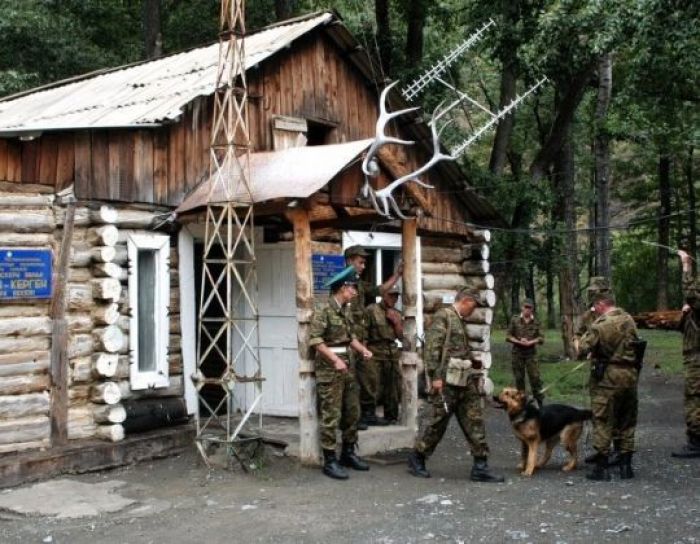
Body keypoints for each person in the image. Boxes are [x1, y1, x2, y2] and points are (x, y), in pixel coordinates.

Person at [407, 287, 504, 482]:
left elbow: (456, 349)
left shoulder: (458, 319)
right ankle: (417, 457)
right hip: (445, 382)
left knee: (474, 419)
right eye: (474, 306)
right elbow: (432, 348)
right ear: (466, 301)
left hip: (464, 380)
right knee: (437, 422)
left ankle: (480, 465)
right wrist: (434, 377)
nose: (473, 310)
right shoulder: (444, 316)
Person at [309, 266, 373, 480]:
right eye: (352, 288)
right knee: (331, 414)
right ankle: (330, 460)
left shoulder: (345, 310)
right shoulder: (324, 310)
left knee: (352, 411)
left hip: (348, 366)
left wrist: (362, 350)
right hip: (331, 368)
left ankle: (347, 453)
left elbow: (349, 337)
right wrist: (335, 360)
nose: (355, 293)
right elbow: (316, 339)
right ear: (343, 288)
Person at [577, 293, 640, 480]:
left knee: (603, 420)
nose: (594, 310)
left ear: (600, 304)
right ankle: (626, 466)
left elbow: (581, 348)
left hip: (608, 378)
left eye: (594, 307)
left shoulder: (600, 325)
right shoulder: (629, 319)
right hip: (630, 376)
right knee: (626, 421)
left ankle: (602, 468)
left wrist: (579, 341)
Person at [344, 245, 402, 426]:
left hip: (358, 341)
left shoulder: (359, 284)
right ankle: (351, 419)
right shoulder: (342, 284)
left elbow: (379, 289)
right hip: (347, 340)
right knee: (351, 381)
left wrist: (397, 275)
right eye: (360, 262)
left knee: (366, 380)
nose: (363, 266)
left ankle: (366, 415)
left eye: (364, 263)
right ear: (349, 260)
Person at [575, 277, 626, 467]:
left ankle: (617, 449)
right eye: (593, 290)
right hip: (597, 367)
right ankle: (601, 449)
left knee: (617, 410)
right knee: (599, 410)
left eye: (599, 290)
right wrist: (581, 349)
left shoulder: (616, 314)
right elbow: (578, 335)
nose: (595, 293)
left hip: (614, 365)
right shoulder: (588, 315)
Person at [671, 250, 700, 458]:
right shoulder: (694, 310)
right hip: (693, 355)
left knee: (694, 398)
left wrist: (686, 266)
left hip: (697, 359)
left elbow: (691, 293)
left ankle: (695, 443)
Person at [365, 286, 403, 424]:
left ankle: (391, 416)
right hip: (374, 352)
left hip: (392, 353)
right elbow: (364, 333)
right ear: (384, 295)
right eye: (391, 295)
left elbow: (402, 337)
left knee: (392, 387)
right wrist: (364, 352)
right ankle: (369, 416)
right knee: (372, 386)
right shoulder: (371, 310)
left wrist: (396, 322)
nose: (394, 298)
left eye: (396, 296)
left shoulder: (397, 313)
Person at [506, 299, 545, 407]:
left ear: (532, 309)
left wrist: (531, 342)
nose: (527, 310)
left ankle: (540, 402)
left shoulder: (536, 322)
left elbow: (541, 338)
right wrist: (518, 341)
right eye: (525, 307)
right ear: (522, 308)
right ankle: (522, 403)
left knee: (535, 378)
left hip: (531, 353)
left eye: (529, 308)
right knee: (519, 378)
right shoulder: (515, 320)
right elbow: (508, 336)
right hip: (517, 352)